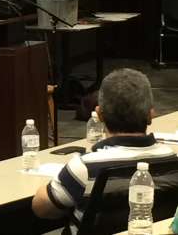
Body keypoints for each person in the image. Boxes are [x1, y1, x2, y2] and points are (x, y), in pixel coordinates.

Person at [32, 68, 176, 234]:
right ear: (151, 115)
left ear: (99, 115)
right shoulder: (171, 160)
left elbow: (41, 208)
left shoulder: (85, 167)